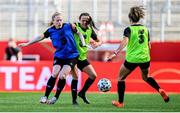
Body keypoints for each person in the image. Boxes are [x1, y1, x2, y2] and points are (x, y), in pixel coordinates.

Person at [106, 6, 169, 108]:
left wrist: (115, 52)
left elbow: (125, 41)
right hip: (145, 58)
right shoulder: (145, 29)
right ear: (139, 17)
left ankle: (120, 103)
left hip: (132, 59)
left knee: (121, 78)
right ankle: (159, 89)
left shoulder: (128, 29)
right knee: (146, 77)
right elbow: (149, 45)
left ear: (130, 18)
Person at [18, 12, 85, 105]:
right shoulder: (50, 31)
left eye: (61, 20)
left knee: (62, 76)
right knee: (54, 73)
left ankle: (55, 97)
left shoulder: (69, 26)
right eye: (57, 20)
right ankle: (45, 96)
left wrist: (83, 43)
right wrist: (27, 43)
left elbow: (79, 33)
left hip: (71, 55)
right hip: (59, 55)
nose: (59, 22)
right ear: (53, 21)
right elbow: (39, 37)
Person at [48, 12, 102, 105]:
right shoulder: (74, 26)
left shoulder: (89, 30)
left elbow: (99, 40)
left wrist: (97, 44)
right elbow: (65, 25)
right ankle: (67, 99)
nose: (85, 22)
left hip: (82, 58)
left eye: (87, 20)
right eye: (83, 20)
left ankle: (82, 93)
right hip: (73, 56)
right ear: (79, 20)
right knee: (72, 76)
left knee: (93, 75)